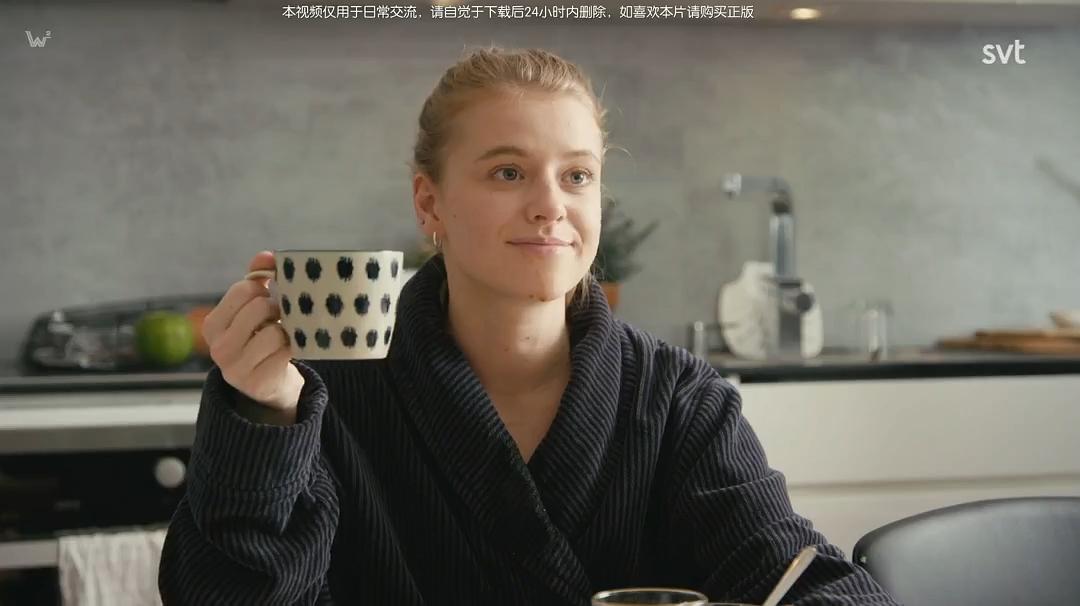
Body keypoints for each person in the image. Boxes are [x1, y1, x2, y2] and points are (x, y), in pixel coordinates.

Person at [159, 46, 898, 605]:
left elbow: (793, 574)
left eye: (577, 175)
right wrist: (263, 417)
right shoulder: (320, 396)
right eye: (508, 172)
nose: (551, 205)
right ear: (429, 203)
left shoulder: (677, 398)